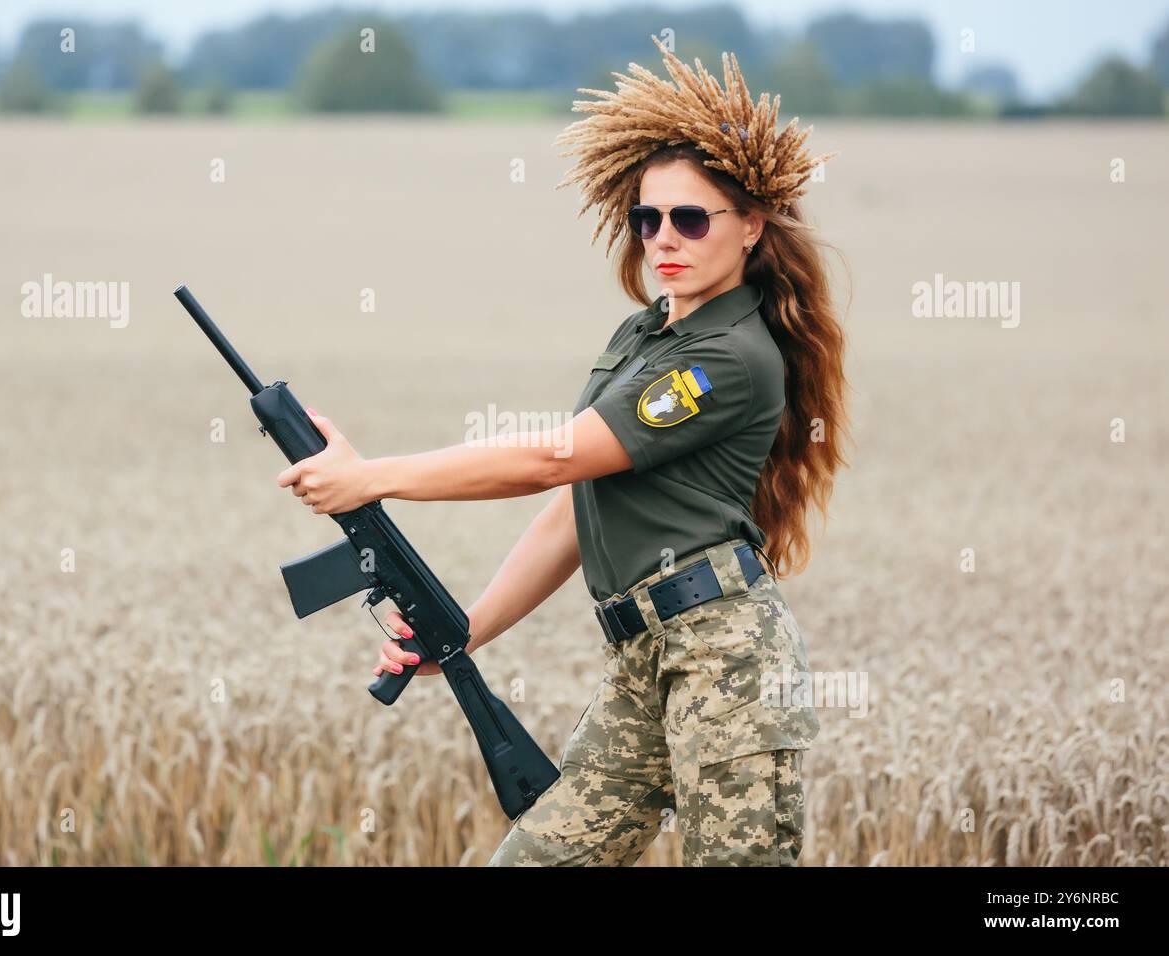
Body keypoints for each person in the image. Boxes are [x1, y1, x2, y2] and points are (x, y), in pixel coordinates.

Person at [275, 35, 851, 866]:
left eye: (690, 218)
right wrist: (466, 632)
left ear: (752, 225)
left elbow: (553, 457)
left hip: (725, 665)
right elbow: (569, 511)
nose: (664, 238)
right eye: (647, 218)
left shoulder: (726, 355)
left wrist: (373, 477)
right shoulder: (646, 335)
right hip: (642, 662)